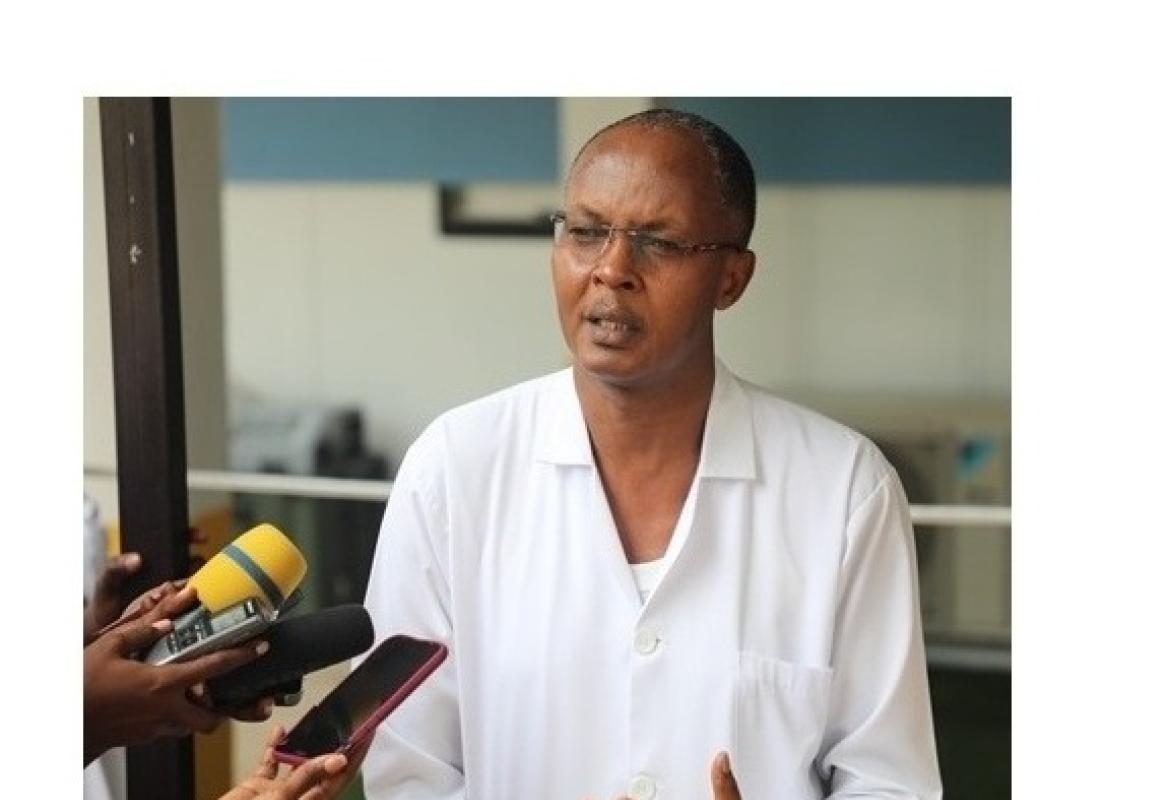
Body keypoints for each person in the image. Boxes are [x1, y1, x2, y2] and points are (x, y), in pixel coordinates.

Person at [361, 109, 943, 799]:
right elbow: (407, 773)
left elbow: (888, 779)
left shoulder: (843, 490)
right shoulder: (453, 472)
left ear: (731, 278)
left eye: (659, 243)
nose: (612, 270)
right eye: (585, 232)